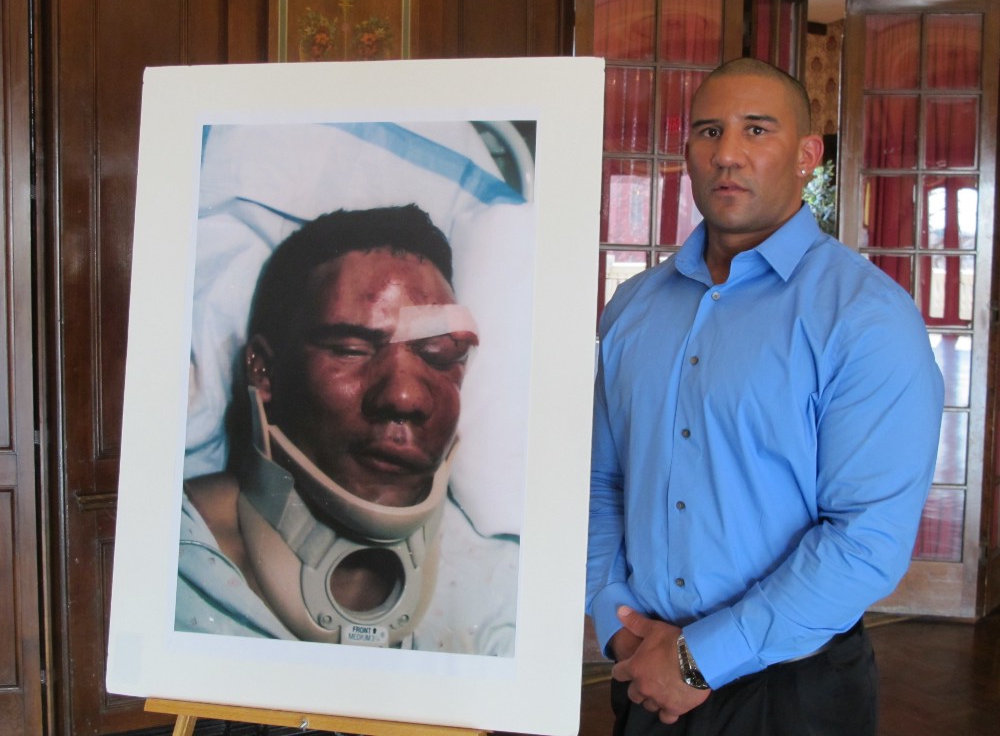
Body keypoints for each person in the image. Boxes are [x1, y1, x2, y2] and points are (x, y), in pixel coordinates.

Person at [586, 58, 944, 735]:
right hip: (644, 668)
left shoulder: (865, 318)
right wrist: (617, 623)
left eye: (756, 130)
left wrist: (699, 660)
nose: (727, 154)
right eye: (708, 131)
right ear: (686, 151)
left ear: (809, 154)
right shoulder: (631, 310)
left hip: (793, 691)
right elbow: (600, 480)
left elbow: (865, 539)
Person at [175, 204, 518, 656]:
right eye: (352, 349)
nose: (404, 397)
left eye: (438, 354)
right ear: (264, 370)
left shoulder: (502, 594)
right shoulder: (165, 558)